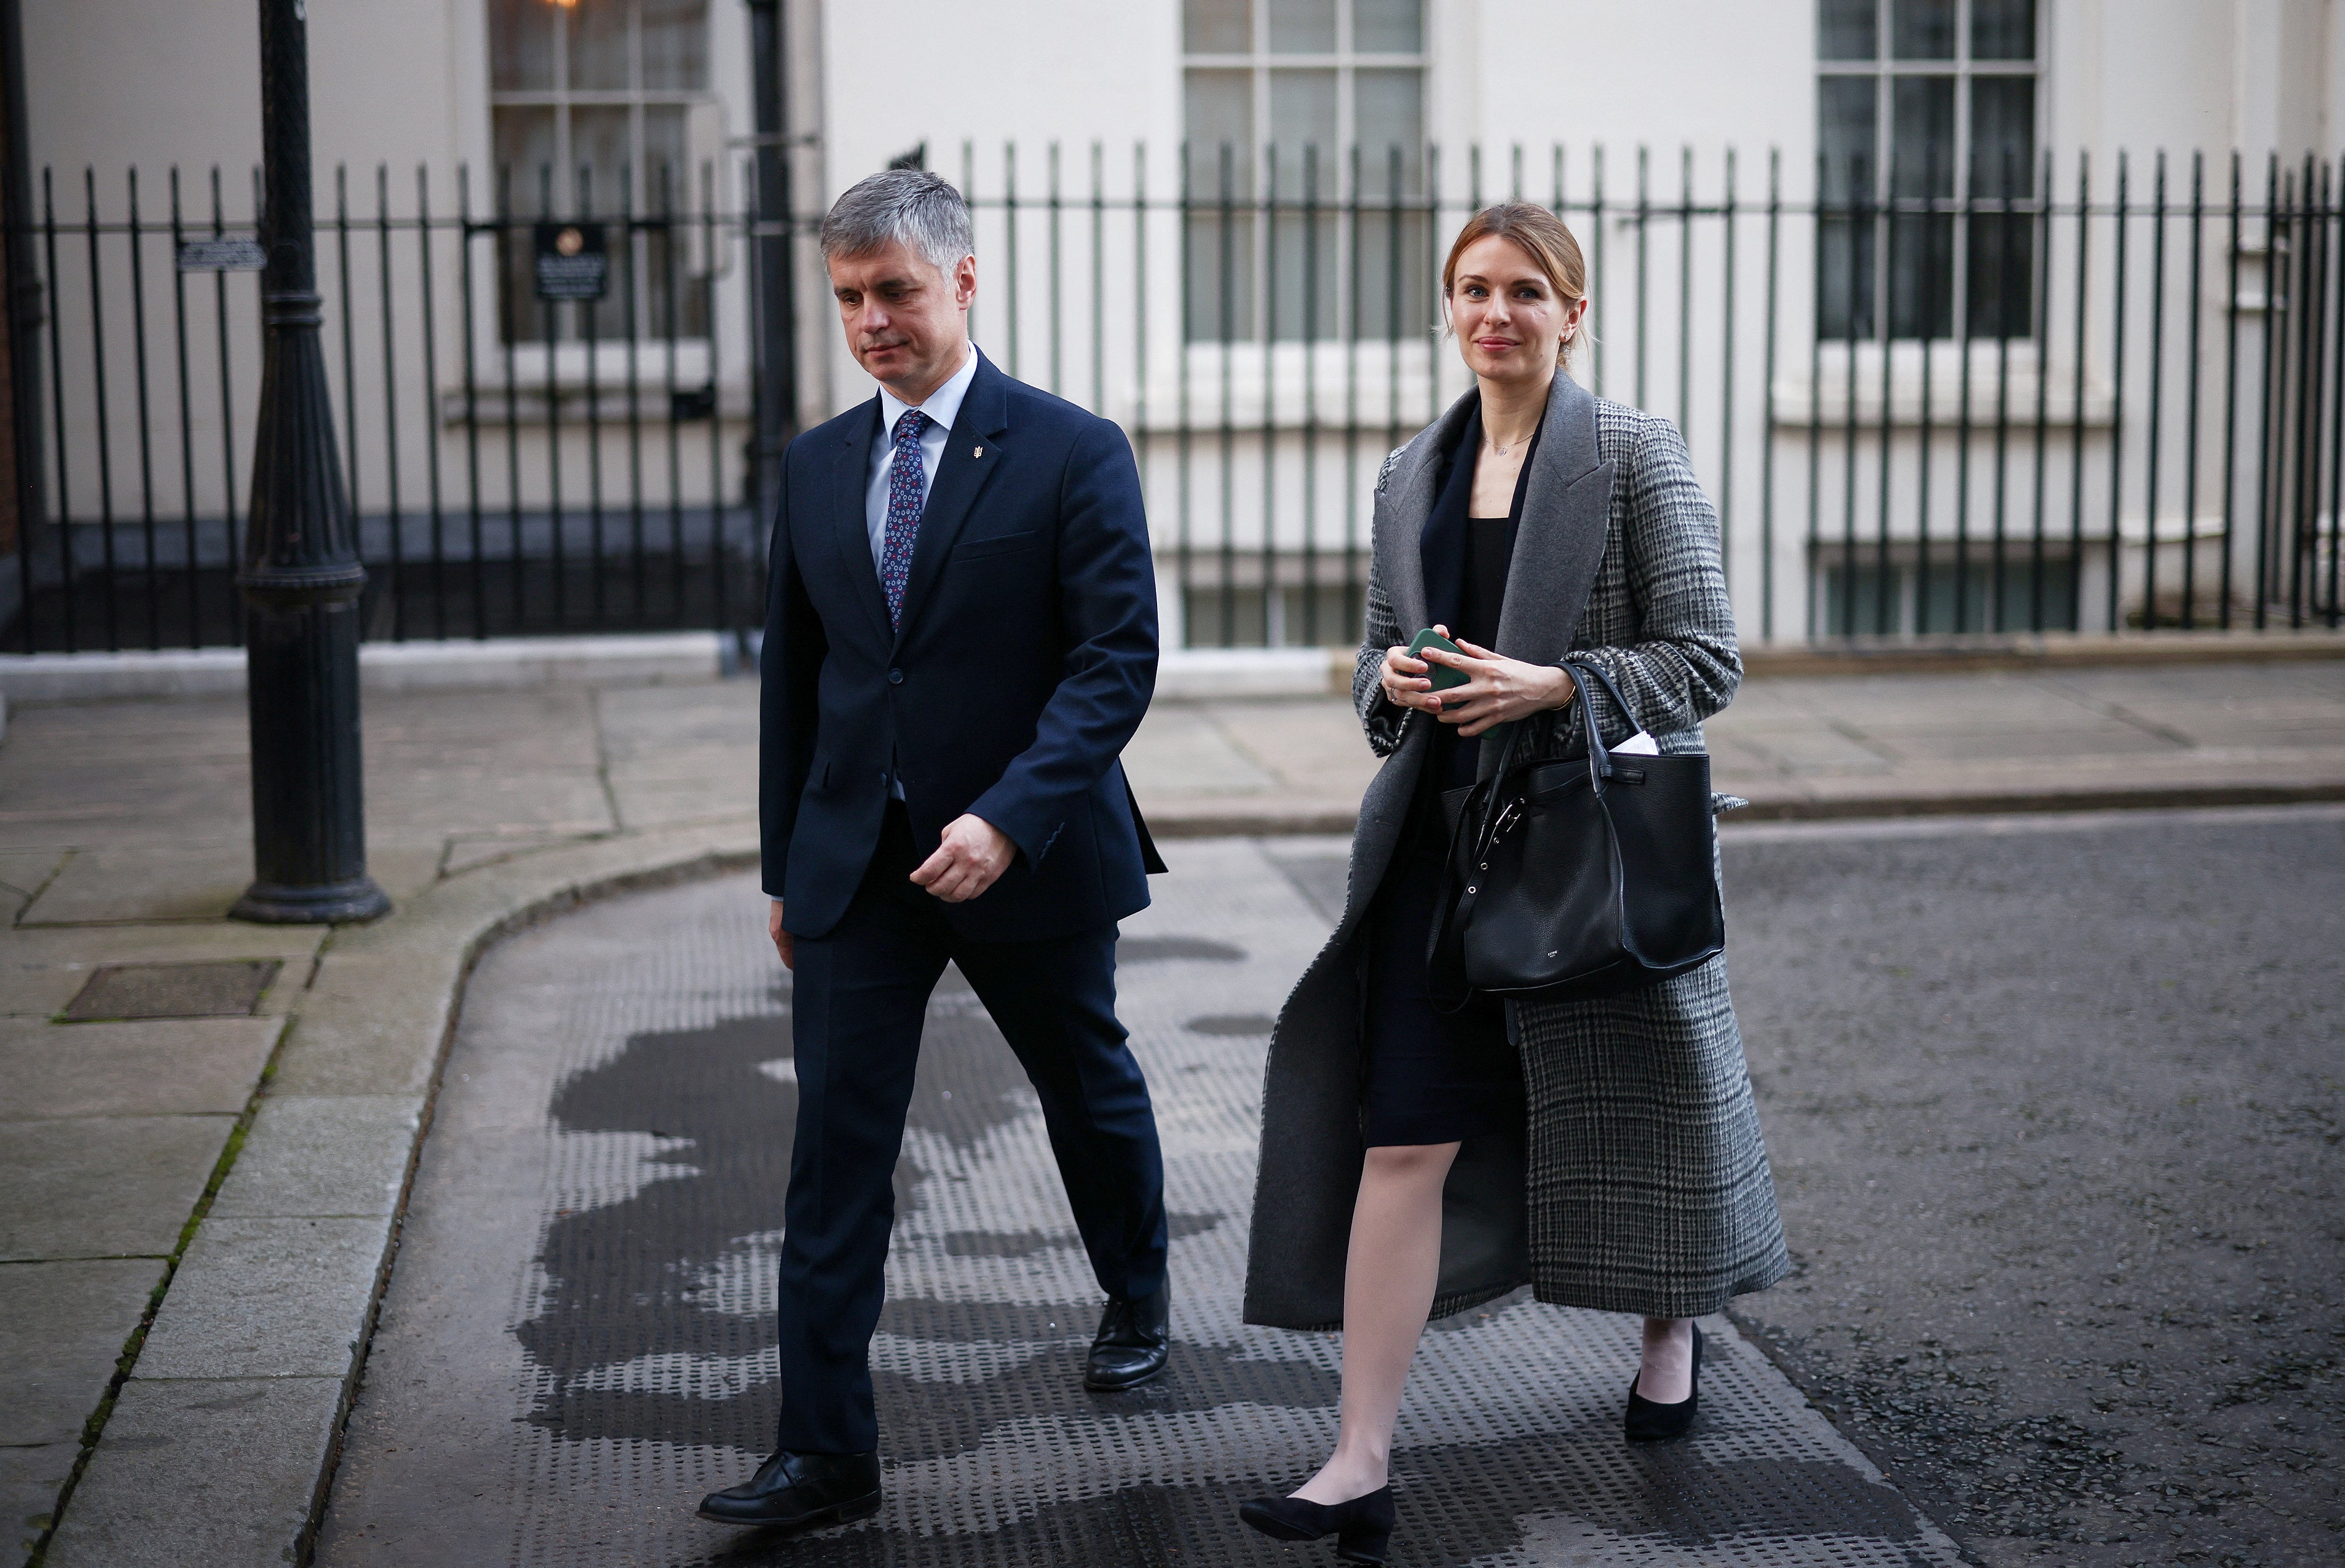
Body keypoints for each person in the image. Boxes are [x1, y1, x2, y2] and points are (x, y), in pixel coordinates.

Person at [1236, 203, 1789, 1562]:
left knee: (1644, 1109)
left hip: (1588, 841)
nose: (1496, 314)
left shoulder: (1631, 453)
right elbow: (1370, 666)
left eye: (1525, 292)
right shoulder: (1405, 476)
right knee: (1402, 1135)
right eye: (1473, 290)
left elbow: (1706, 655)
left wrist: (1558, 684)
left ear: (1570, 313)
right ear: (1448, 308)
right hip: (1437, 848)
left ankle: (1669, 1334)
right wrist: (1396, 684)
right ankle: (1358, 1459)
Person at [700, 168, 1173, 1537]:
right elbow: (799, 681)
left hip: (1021, 850)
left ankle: (1134, 1291)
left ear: (964, 281)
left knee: (1085, 1084)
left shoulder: (1071, 449)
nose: (870, 323)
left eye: (895, 292)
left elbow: (1112, 663)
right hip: (856, 865)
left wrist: (1007, 817)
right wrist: (787, 865)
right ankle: (824, 1453)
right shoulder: (814, 461)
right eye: (849, 298)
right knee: (832, 1157)